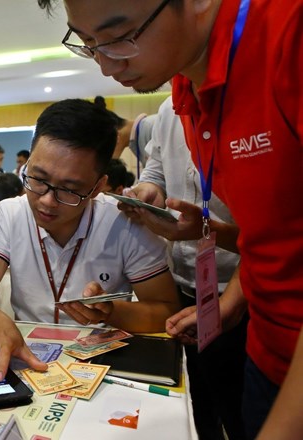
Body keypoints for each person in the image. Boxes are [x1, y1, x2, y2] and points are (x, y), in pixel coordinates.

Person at [36, 1, 302, 438]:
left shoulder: (288, 36)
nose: (105, 66)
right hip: (267, 349)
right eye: (87, 44)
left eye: (120, 36)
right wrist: (206, 238)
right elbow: (275, 234)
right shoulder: (182, 88)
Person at [0, 99, 180, 379]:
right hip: (26, 357)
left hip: (104, 365)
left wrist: (110, 311)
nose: (47, 201)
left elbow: (166, 310)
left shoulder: (125, 224)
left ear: (98, 186)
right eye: (37, 178)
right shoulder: (9, 215)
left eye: (70, 190)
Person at [122, 96, 245, 440]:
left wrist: (205, 229)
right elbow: (155, 168)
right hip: (184, 283)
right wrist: (148, 189)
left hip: (240, 288)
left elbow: (272, 233)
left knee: (240, 410)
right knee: (194, 402)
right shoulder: (168, 110)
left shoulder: (246, 101)